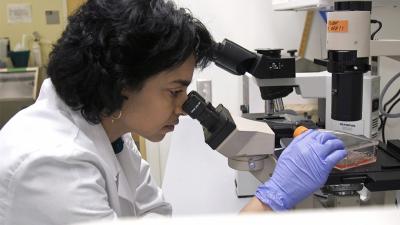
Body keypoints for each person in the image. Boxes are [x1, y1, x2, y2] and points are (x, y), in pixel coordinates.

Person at [0, 0, 347, 224]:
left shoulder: (112, 131)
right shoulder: (51, 163)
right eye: (175, 90)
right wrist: (272, 201)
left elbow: (156, 215)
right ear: (123, 82)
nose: (183, 107)